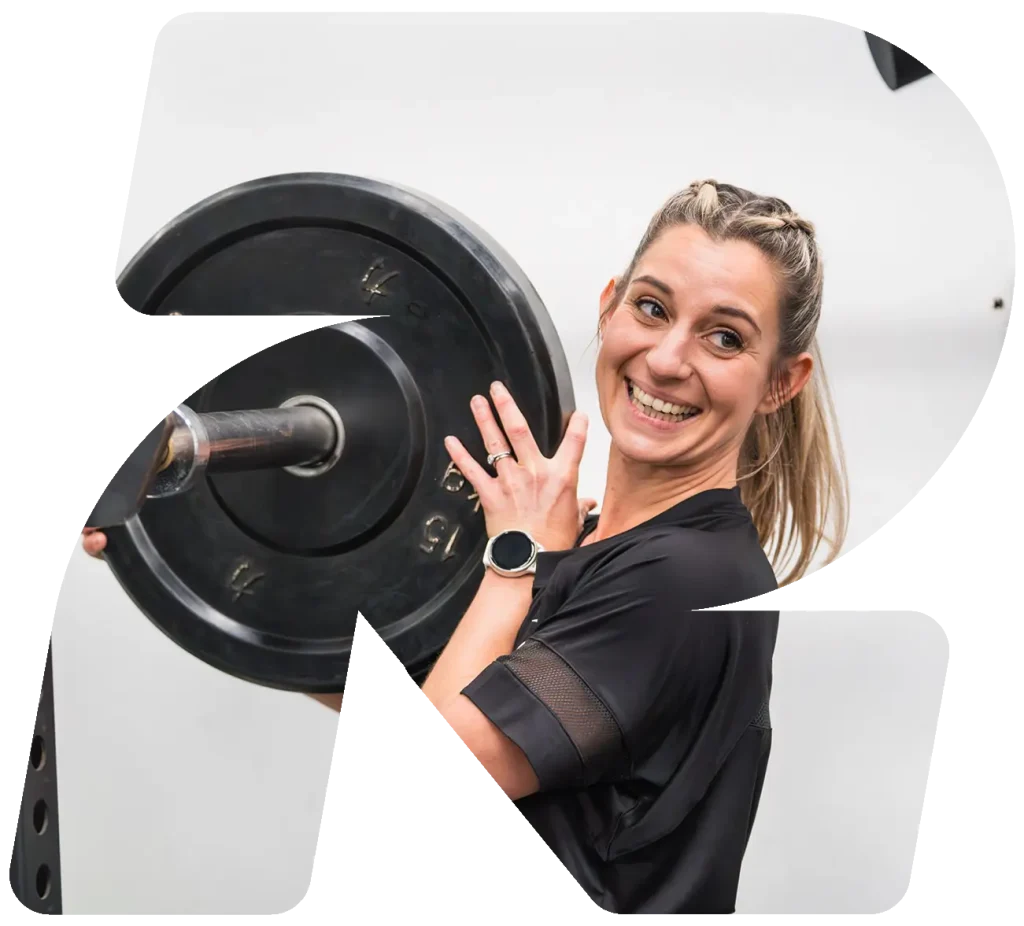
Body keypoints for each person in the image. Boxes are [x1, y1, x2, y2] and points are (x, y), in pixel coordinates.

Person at [85, 179, 848, 918]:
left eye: (724, 337)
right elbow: (426, 696)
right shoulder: (589, 546)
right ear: (610, 305)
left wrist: (514, 556)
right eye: (652, 308)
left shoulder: (683, 580)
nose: (669, 359)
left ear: (782, 381)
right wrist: (171, 529)